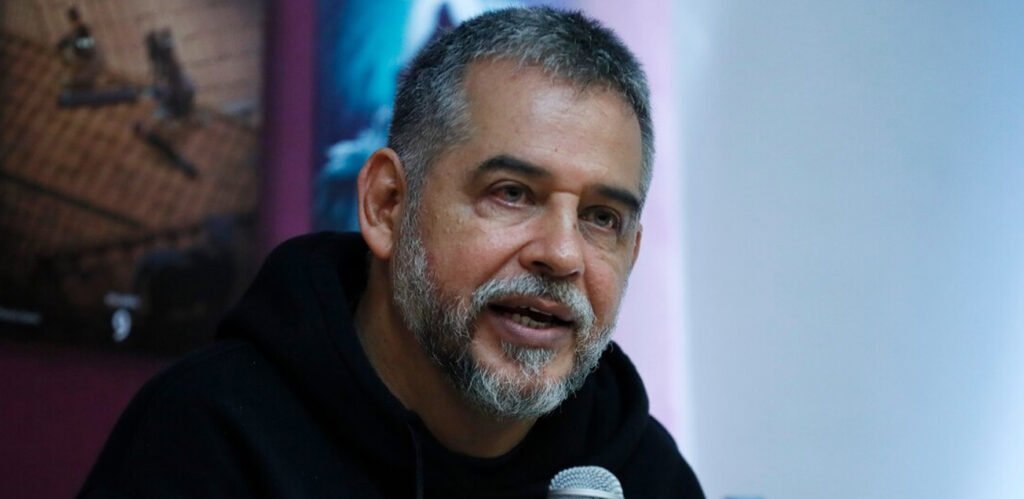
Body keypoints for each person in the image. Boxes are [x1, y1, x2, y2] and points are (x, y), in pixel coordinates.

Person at [78, 7, 704, 498]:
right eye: (512, 193)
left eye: (601, 218)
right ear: (386, 204)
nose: (563, 254)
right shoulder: (207, 438)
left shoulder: (646, 477)